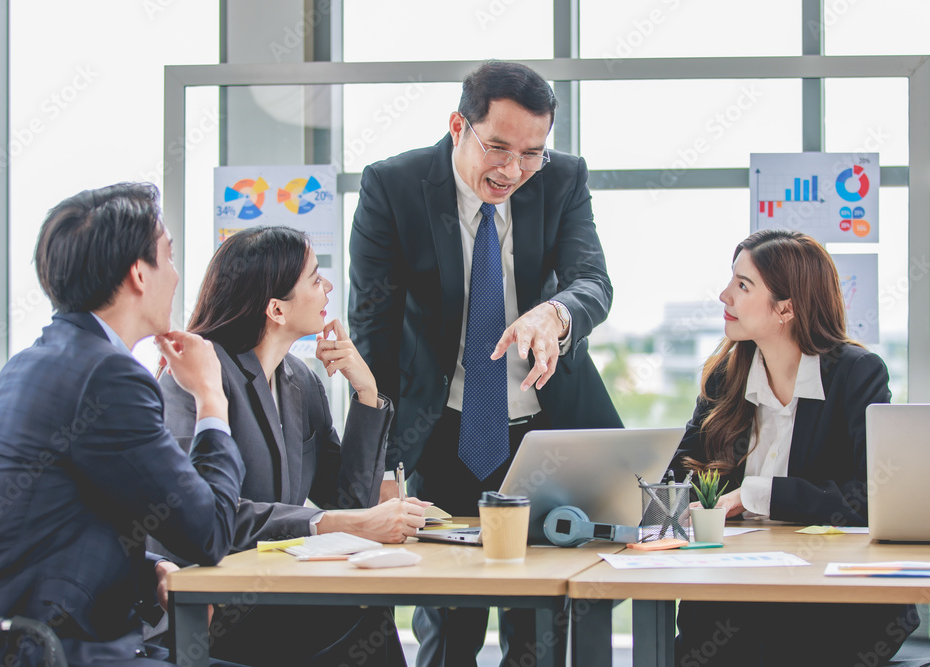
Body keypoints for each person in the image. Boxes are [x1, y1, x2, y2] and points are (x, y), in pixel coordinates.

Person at [348, 60, 622, 667]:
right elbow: (374, 329)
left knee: (541, 628)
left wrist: (556, 312)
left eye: (532, 152)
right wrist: (384, 459)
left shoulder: (561, 179)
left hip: (547, 432)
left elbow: (592, 281)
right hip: (445, 429)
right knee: (450, 624)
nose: (513, 170)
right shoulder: (394, 187)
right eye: (498, 147)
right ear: (458, 126)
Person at [0, 183, 246, 666]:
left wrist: (151, 567)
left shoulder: (34, 362)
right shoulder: (107, 375)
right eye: (169, 255)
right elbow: (210, 532)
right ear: (139, 273)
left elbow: (48, 530)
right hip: (39, 651)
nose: (178, 275)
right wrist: (211, 397)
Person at [156, 225, 427, 666]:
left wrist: (367, 393)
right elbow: (203, 513)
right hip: (215, 604)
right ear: (276, 309)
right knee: (366, 624)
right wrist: (342, 524)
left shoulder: (300, 380)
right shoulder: (197, 375)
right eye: (316, 279)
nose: (328, 288)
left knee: (368, 616)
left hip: (275, 589)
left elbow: (347, 499)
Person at [669, 229, 917, 666]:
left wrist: (756, 493)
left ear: (787, 307)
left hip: (835, 604)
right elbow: (684, 475)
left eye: (743, 286)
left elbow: (869, 496)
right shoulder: (725, 376)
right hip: (731, 596)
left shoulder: (856, 375)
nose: (724, 296)